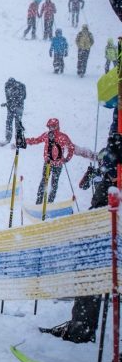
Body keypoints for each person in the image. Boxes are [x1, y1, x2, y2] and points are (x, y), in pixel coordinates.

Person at [48, 131, 122, 342]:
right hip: (110, 186)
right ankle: (81, 326)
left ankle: (82, 326)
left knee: (93, 256)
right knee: (92, 256)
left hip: (112, 189)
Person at [26, 118, 75, 205]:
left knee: (54, 183)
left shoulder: (63, 137)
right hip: (47, 162)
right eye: (50, 127)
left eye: (53, 126)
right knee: (44, 181)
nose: (51, 128)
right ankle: (39, 201)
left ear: (57, 126)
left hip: (58, 164)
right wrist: (26, 140)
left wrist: (67, 158)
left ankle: (50, 203)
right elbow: (36, 140)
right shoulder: (46, 135)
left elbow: (71, 147)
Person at [1, 77, 26, 146]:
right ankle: (7, 139)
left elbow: (22, 98)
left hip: (19, 107)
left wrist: (13, 103)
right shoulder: (7, 86)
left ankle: (19, 140)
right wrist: (7, 104)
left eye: (11, 87)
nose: (10, 89)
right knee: (8, 122)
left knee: (18, 123)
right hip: (10, 108)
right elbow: (9, 98)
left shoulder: (20, 87)